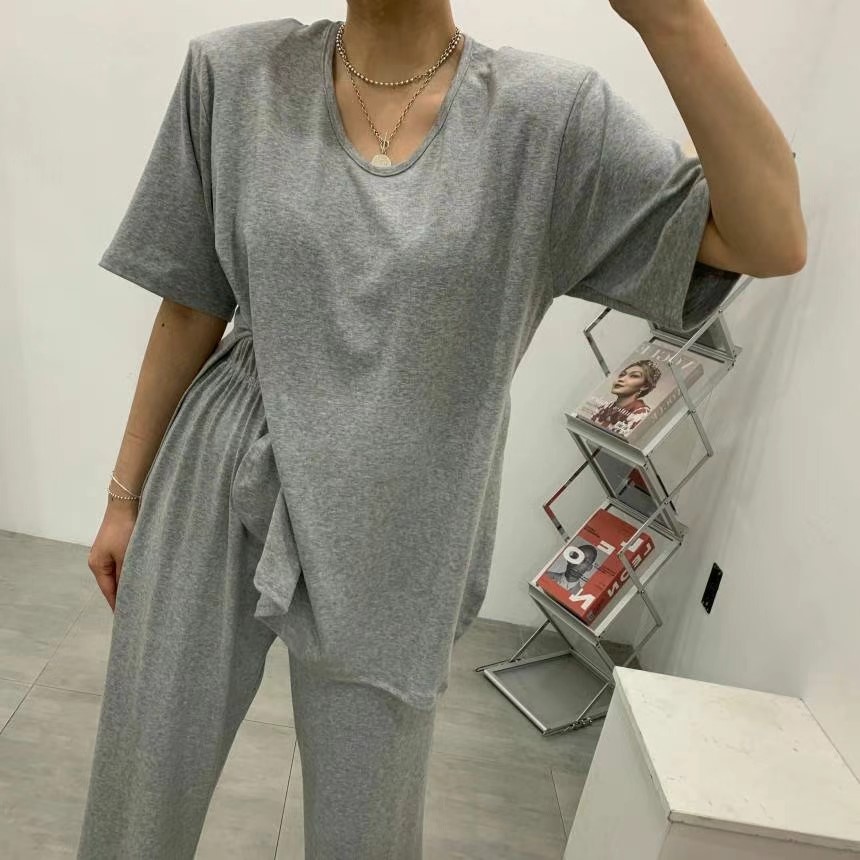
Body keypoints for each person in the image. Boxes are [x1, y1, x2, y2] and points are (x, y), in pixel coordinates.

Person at [78, 1, 805, 857]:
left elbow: (771, 238)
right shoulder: (234, 74)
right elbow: (191, 306)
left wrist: (670, 18)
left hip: (403, 518)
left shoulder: (547, 118)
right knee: (141, 783)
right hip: (224, 459)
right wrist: (124, 497)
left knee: (365, 828)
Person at [591, 359, 662, 435]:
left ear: (645, 386)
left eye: (634, 376)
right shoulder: (604, 407)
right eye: (622, 375)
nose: (621, 379)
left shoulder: (641, 414)